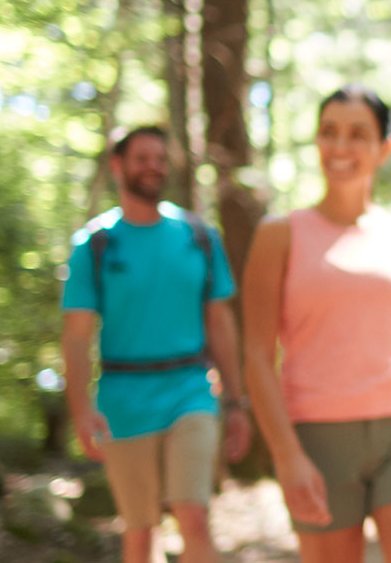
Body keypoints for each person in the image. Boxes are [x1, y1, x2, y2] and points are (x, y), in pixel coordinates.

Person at [240, 85, 391, 563]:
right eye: (329, 133)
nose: (340, 147)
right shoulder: (280, 234)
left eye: (358, 134)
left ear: (385, 148)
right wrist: (287, 455)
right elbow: (256, 354)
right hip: (318, 437)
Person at [61, 125, 252, 563]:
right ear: (118, 165)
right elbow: (76, 337)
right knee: (140, 532)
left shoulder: (198, 237)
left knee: (194, 517)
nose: (153, 168)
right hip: (123, 401)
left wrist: (238, 403)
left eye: (161, 159)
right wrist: (80, 411)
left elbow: (221, 323)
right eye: (142, 158)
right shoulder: (95, 244)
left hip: (191, 391)